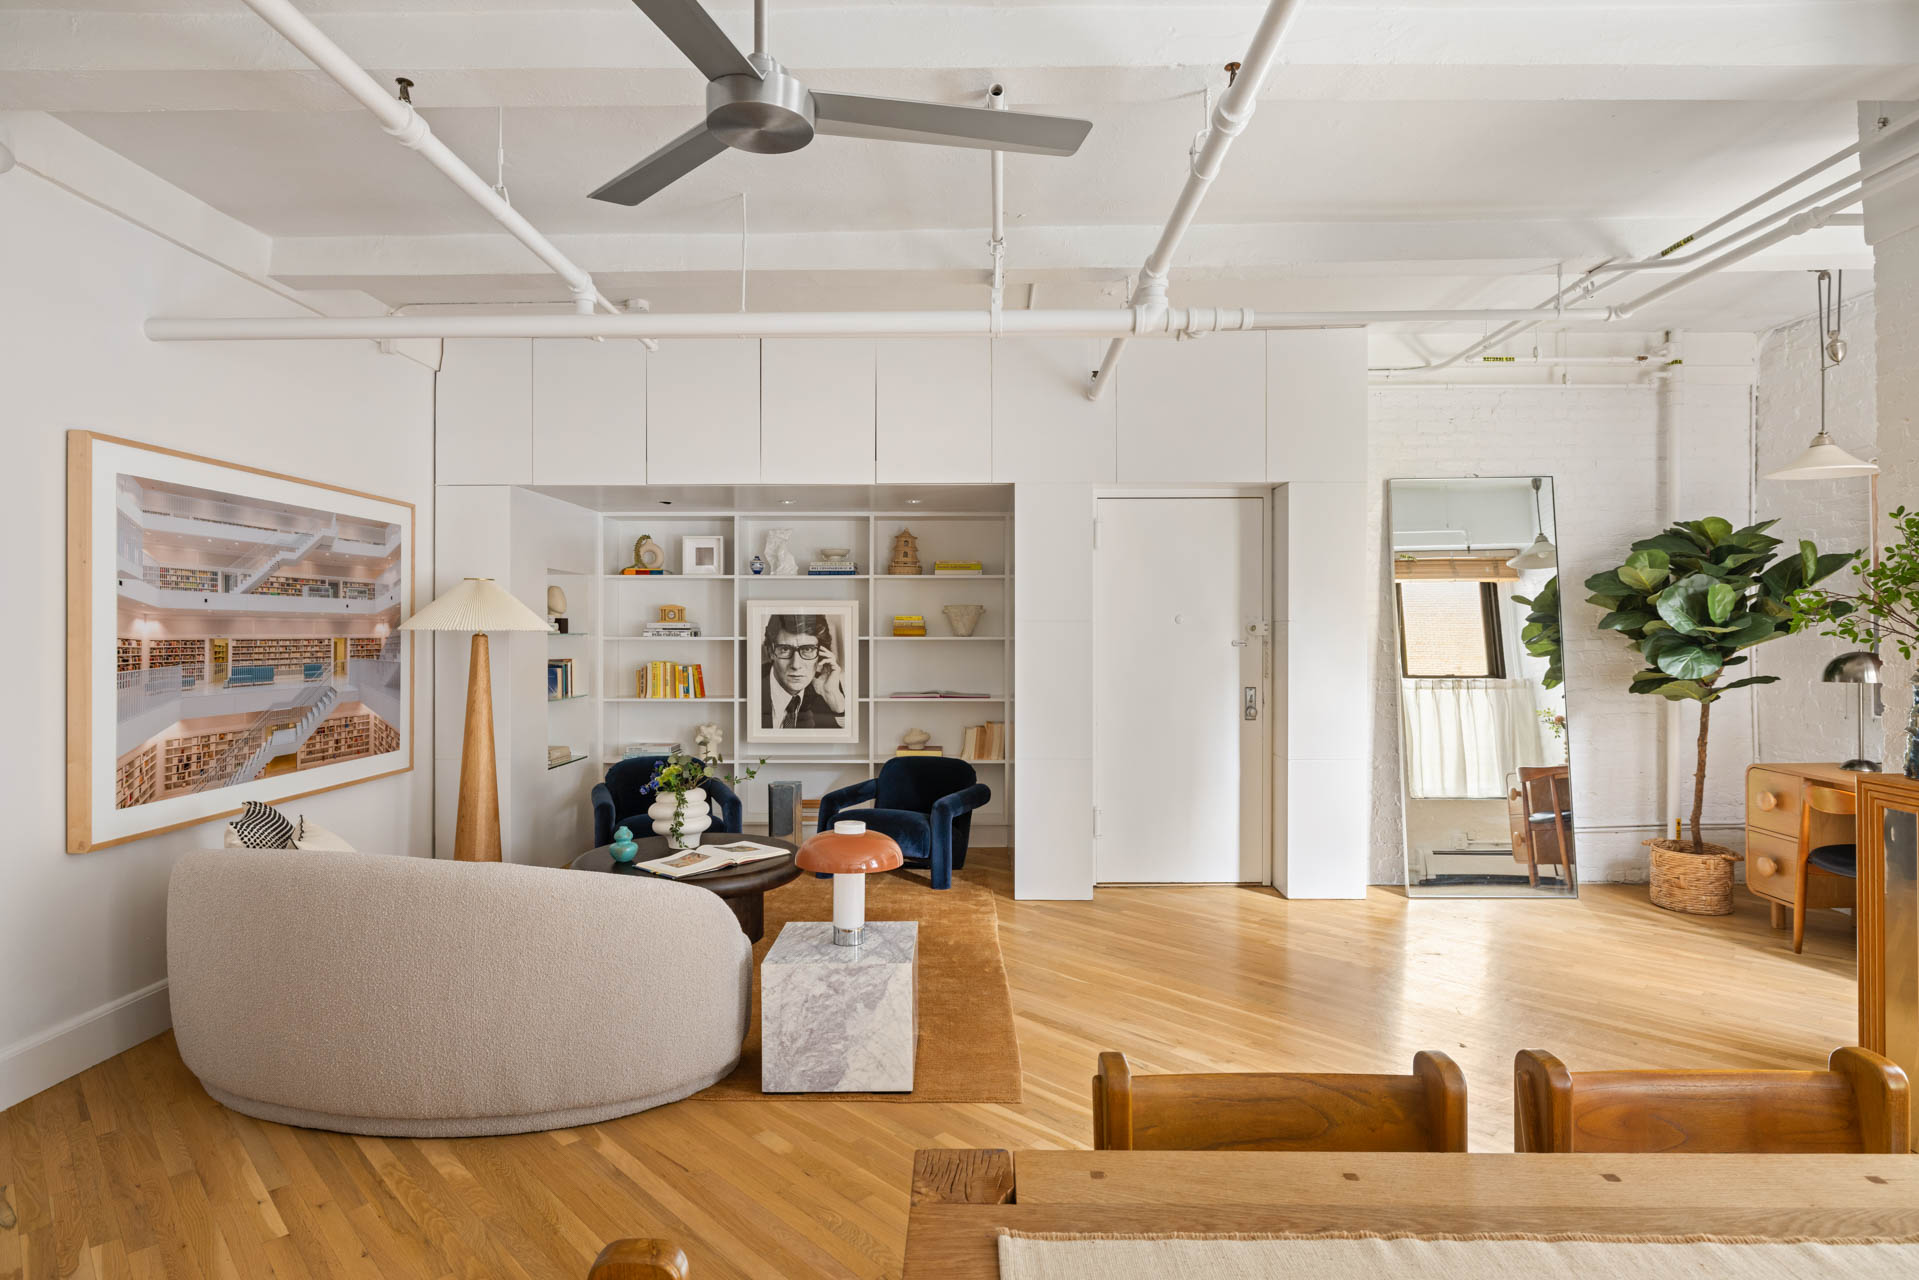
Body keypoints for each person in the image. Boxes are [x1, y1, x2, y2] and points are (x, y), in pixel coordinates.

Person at [760, 613, 846, 729]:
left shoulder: (827, 687)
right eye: (785, 649)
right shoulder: (751, 684)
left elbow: (846, 739)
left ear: (821, 654)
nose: (796, 665)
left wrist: (836, 703)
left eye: (807, 649)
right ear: (770, 652)